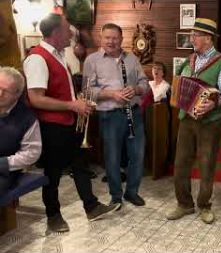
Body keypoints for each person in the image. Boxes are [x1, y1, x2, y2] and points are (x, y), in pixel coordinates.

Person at [24, 13, 119, 234]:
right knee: (53, 174)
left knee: (80, 166)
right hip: (52, 127)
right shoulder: (37, 58)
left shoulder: (58, 55)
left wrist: (78, 101)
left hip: (68, 123)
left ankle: (92, 206)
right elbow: (36, 98)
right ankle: (53, 216)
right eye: (68, 29)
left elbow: (61, 91)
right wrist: (72, 106)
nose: (72, 33)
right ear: (56, 33)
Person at [166, 18, 221, 224]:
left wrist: (214, 104)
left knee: (206, 164)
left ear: (208, 38)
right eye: (192, 34)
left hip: (210, 122)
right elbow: (178, 84)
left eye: (195, 35)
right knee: (181, 163)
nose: (191, 38)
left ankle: (204, 205)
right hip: (186, 119)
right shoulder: (189, 61)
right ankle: (184, 204)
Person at [83, 23, 149, 208]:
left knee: (137, 155)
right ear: (101, 39)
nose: (111, 41)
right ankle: (116, 196)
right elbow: (87, 91)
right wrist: (112, 94)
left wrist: (135, 89)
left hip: (133, 113)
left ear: (121, 40)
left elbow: (145, 83)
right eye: (107, 38)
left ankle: (132, 192)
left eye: (115, 38)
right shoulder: (92, 60)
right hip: (109, 115)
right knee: (112, 157)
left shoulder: (132, 58)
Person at [0, 67, 41, 196]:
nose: (0, 93)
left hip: (3, 170)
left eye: (5, 91)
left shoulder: (27, 118)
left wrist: (4, 163)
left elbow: (32, 153)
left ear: (17, 94)